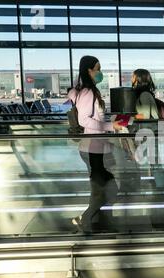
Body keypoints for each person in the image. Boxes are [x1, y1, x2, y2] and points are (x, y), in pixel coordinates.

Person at [68, 55, 124, 233]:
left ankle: (88, 219)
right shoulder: (88, 92)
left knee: (104, 188)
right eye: (97, 69)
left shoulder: (87, 91)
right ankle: (85, 219)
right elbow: (85, 120)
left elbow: (92, 114)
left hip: (96, 147)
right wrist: (110, 125)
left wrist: (109, 122)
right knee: (106, 189)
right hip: (92, 148)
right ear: (88, 71)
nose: (100, 72)